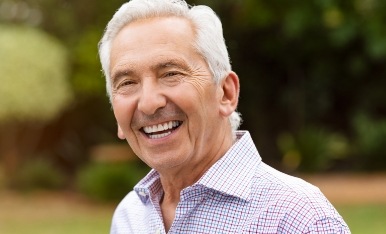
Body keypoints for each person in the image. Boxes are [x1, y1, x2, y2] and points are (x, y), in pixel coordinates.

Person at [98, 0, 350, 233]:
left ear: (226, 93)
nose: (149, 103)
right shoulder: (129, 216)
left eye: (171, 74)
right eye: (128, 82)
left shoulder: (299, 219)